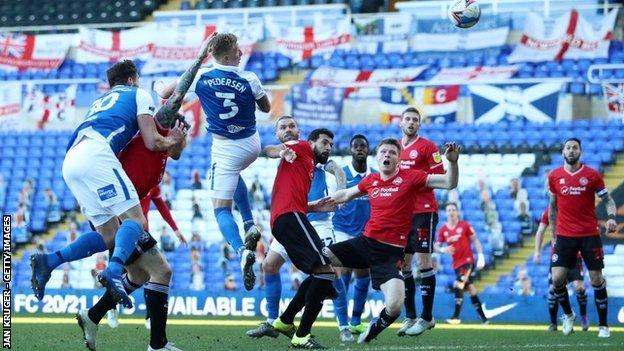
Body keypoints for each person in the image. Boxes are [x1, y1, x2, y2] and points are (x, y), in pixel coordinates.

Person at [30, 58, 187, 310]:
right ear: (131, 79)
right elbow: (151, 142)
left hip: (71, 161)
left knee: (108, 234)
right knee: (136, 221)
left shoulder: (98, 102)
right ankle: (113, 271)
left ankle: (49, 261)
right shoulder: (138, 94)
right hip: (96, 154)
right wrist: (174, 140)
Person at [159, 32, 271, 291]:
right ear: (227, 55)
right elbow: (265, 108)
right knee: (234, 174)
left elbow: (167, 93)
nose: (242, 53)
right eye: (238, 50)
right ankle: (249, 223)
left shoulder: (201, 76)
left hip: (225, 148)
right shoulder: (249, 78)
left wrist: (158, 87)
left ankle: (242, 250)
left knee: (220, 209)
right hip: (252, 144)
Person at [323, 138, 460, 343]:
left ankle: (373, 329)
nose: (387, 155)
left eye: (392, 152)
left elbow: (449, 182)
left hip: (390, 255)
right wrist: (311, 205)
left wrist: (452, 162)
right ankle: (295, 317)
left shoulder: (412, 177)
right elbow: (346, 194)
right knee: (320, 257)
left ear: (399, 159)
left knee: (395, 306)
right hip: (365, 244)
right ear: (377, 157)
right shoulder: (371, 180)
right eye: (383, 152)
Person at [245, 126, 349, 342]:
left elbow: (296, 199)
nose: (328, 147)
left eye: (331, 144)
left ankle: (284, 321)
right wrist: (282, 152)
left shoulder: (308, 166)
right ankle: (301, 335)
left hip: (292, 217)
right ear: (311, 142)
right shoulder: (301, 147)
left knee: (323, 273)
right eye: (324, 142)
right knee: (326, 272)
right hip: (289, 218)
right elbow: (270, 149)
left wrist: (314, 207)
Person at [547, 137, 617, 338]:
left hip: (589, 235)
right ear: (563, 152)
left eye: (575, 148)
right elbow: (552, 208)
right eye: (568, 148)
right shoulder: (554, 176)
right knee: (557, 278)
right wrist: (553, 235)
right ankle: (568, 314)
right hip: (564, 236)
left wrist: (611, 217)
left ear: (580, 152)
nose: (571, 151)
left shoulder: (592, 175)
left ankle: (603, 326)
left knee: (596, 279)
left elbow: (608, 200)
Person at [397, 107, 445, 336]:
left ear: (419, 124)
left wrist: (415, 181)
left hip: (424, 211)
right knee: (403, 265)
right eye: (408, 119)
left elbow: (442, 177)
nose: (411, 122)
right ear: (400, 122)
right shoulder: (394, 148)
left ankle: (427, 317)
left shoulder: (428, 147)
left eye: (415, 120)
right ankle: (411, 316)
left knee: (423, 263)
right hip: (401, 213)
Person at [331, 135, 376, 335]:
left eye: (363, 146)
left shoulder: (375, 175)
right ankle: (343, 324)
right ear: (350, 150)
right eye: (356, 146)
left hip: (364, 232)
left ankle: (356, 321)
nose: (359, 149)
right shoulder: (342, 174)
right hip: (341, 229)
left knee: (364, 273)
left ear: (368, 150)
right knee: (343, 271)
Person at [533, 208, 588, 332]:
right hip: (557, 256)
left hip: (575, 255)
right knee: (553, 289)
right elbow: (540, 231)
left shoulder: (572, 207)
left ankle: (583, 316)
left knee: (579, 288)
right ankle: (553, 323)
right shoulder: (549, 211)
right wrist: (537, 252)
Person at [435, 203, 488, 324]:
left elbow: (475, 240)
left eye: (453, 209)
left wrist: (480, 256)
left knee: (458, 284)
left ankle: (456, 317)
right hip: (456, 264)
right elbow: (436, 246)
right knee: (470, 289)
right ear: (446, 213)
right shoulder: (443, 229)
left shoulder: (465, 225)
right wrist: (443, 250)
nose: (451, 212)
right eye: (449, 210)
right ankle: (484, 318)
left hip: (467, 261)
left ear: (457, 212)